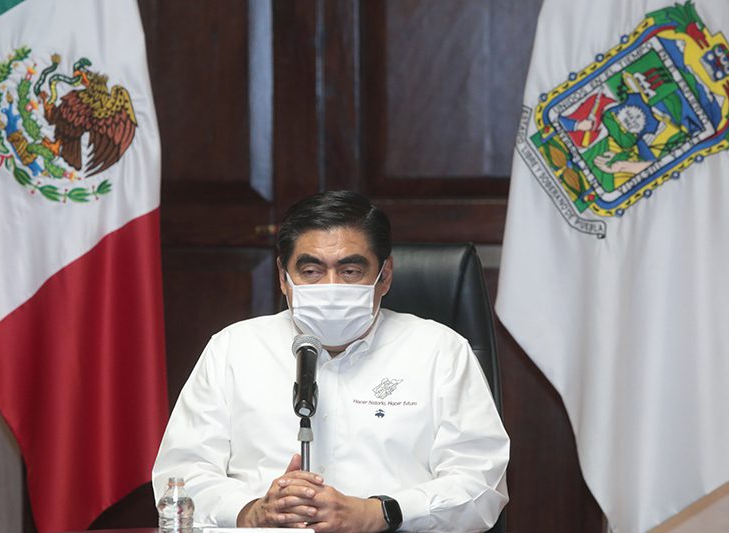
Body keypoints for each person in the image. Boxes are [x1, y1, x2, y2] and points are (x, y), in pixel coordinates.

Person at [152, 191, 509, 532]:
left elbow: (481, 485)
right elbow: (180, 476)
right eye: (311, 271)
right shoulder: (233, 348)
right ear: (283, 278)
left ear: (384, 276)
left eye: (350, 271)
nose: (331, 286)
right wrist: (252, 512)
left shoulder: (440, 351)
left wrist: (378, 512)